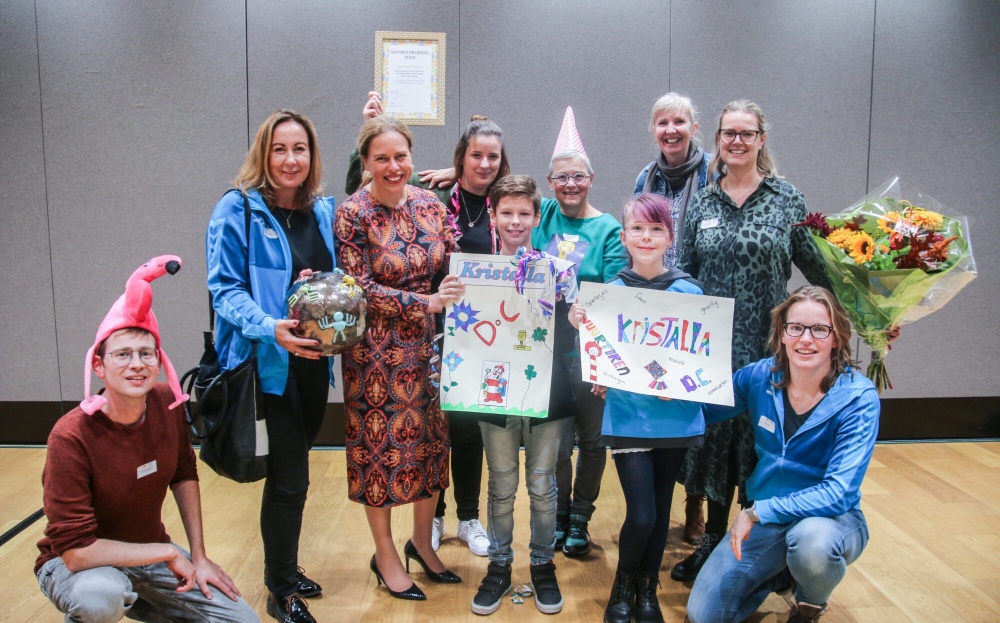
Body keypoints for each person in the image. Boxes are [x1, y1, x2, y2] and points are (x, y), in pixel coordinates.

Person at [36, 255, 257, 623]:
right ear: (99, 365)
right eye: (122, 355)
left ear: (158, 363)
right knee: (100, 597)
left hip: (147, 554)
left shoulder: (165, 403)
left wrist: (198, 557)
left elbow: (184, 473)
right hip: (78, 565)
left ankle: (142, 601)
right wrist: (169, 553)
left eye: (145, 354)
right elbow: (75, 552)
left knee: (242, 620)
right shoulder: (70, 436)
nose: (136, 364)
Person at [671, 100, 832, 585]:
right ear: (717, 140)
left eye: (747, 133)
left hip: (770, 350)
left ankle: (759, 544)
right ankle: (711, 544)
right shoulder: (702, 201)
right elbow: (684, 272)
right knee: (715, 444)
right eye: (728, 133)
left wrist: (867, 315)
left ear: (762, 139)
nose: (737, 141)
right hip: (712, 351)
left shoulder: (787, 199)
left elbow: (820, 270)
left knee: (761, 444)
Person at [350, 93, 512, 557]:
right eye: (474, 156)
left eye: (492, 156)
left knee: (456, 435)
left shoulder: (494, 203)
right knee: (408, 442)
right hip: (403, 340)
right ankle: (419, 533)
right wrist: (428, 301)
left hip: (470, 335)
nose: (484, 163)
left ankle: (457, 523)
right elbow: (370, 197)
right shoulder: (430, 197)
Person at [207, 109, 336, 623]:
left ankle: (284, 566)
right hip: (266, 366)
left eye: (299, 149)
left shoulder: (320, 211)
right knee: (291, 479)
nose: (290, 159)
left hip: (311, 366)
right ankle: (280, 589)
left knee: (291, 471)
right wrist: (268, 325)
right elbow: (224, 289)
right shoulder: (236, 210)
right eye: (279, 149)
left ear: (310, 155)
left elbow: (327, 279)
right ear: (264, 153)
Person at [686, 286, 879, 623]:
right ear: (782, 333)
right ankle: (781, 573)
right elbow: (703, 408)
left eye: (820, 329)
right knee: (704, 615)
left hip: (829, 521)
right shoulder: (760, 377)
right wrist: (658, 389)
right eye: (796, 327)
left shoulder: (858, 398)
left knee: (811, 544)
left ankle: (809, 603)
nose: (806, 339)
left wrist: (755, 513)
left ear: (837, 338)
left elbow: (837, 494)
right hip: (768, 519)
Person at [335, 115, 465, 601]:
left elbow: (454, 256)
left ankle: (422, 542)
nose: (394, 167)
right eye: (382, 158)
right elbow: (358, 288)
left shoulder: (431, 204)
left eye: (401, 156)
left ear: (412, 157)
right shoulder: (353, 213)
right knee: (381, 455)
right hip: (375, 356)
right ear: (366, 163)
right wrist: (425, 303)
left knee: (432, 447)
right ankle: (385, 552)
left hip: (429, 350)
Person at [568, 194, 706, 623]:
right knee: (642, 514)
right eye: (637, 229)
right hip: (630, 416)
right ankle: (622, 585)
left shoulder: (690, 291)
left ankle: (647, 588)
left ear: (669, 236)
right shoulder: (609, 294)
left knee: (662, 508)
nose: (646, 237)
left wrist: (685, 383)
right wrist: (581, 328)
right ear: (624, 236)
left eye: (656, 229)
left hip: (676, 416)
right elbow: (599, 359)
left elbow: (701, 358)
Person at [467, 175, 578, 616]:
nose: (515, 221)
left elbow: (572, 330)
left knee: (543, 485)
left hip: (547, 388)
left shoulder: (558, 271)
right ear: (493, 216)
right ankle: (498, 565)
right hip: (493, 388)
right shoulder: (474, 271)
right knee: (501, 483)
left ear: (536, 217)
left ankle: (542, 563)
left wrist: (578, 308)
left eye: (524, 213)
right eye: (506, 213)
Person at [533, 107, 628, 557]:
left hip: (589, 348)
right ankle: (555, 514)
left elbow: (612, 289)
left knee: (590, 440)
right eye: (561, 178)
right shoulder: (543, 215)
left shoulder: (608, 228)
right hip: (546, 348)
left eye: (578, 177)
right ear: (550, 183)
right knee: (555, 442)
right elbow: (499, 196)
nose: (570, 185)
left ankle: (580, 518)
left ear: (592, 178)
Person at [633, 93, 713, 544]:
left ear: (694, 127)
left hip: (695, 298)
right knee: (663, 392)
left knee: (692, 396)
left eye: (679, 121)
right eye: (662, 122)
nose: (671, 130)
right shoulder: (645, 176)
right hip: (655, 298)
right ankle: (659, 498)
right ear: (653, 129)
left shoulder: (712, 173)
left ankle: (694, 501)